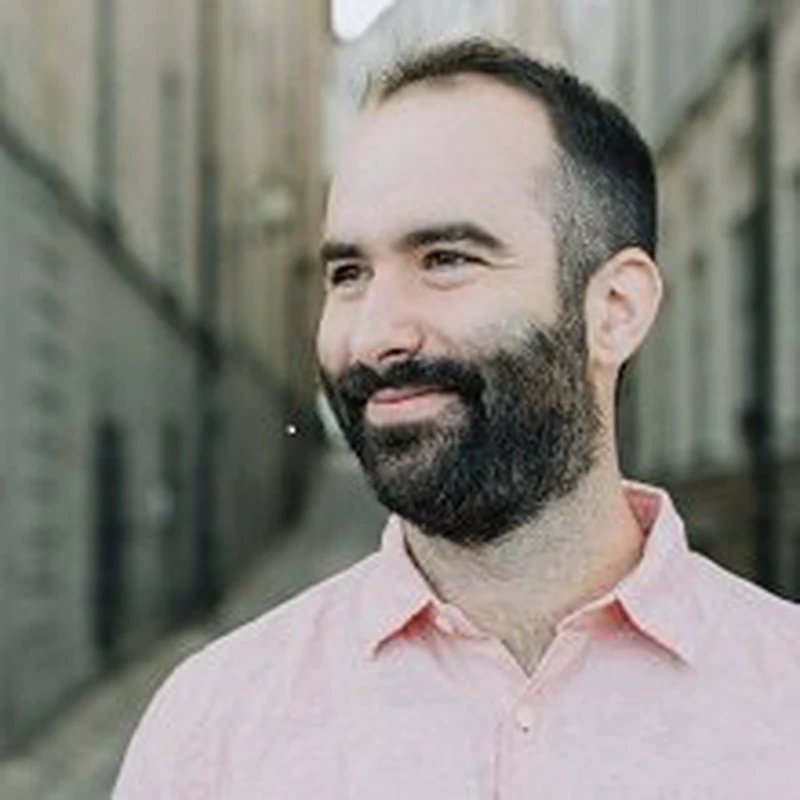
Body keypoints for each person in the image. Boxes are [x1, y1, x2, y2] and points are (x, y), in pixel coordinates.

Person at [113, 38, 800, 798]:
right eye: (349, 273)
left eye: (446, 258)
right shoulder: (213, 730)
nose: (375, 334)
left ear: (614, 309)